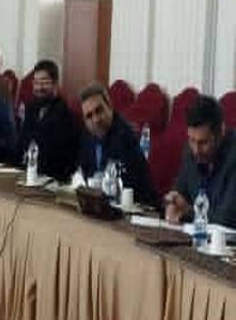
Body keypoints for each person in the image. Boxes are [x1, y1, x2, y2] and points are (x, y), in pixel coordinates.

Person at [77, 83, 156, 207]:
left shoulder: (124, 137)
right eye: (89, 116)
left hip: (136, 207)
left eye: (99, 111)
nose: (96, 120)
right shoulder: (87, 137)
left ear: (110, 106)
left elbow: (125, 188)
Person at [165, 96, 236, 227]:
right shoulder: (190, 152)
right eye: (191, 140)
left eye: (203, 142)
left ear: (221, 132)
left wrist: (188, 211)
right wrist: (172, 204)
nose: (196, 150)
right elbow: (179, 191)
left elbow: (226, 220)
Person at [15, 59, 79, 182]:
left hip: (52, 179)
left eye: (44, 83)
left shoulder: (63, 114)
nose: (39, 87)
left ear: (55, 84)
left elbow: (60, 157)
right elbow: (22, 142)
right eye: (36, 83)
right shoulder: (31, 108)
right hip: (28, 175)